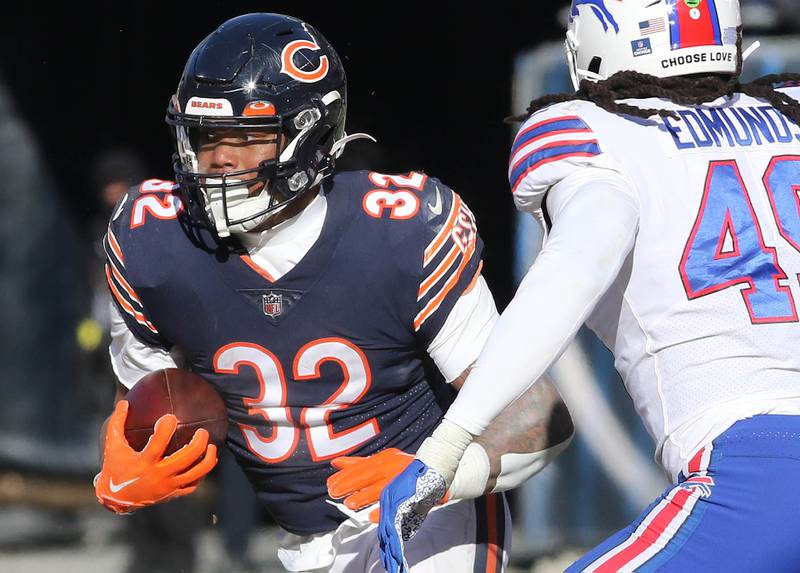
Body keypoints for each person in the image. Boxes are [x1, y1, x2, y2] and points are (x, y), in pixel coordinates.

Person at [90, 13, 573, 572]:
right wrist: (121, 463)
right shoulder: (151, 236)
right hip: (300, 539)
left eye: (246, 137)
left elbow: (538, 418)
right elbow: (145, 398)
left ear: (310, 136)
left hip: (430, 523)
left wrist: (432, 474)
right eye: (206, 136)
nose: (218, 158)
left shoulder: (399, 230)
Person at [379, 1, 800, 572]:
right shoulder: (790, 107)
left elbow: (575, 265)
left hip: (760, 471)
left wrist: (449, 444)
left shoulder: (593, 131)